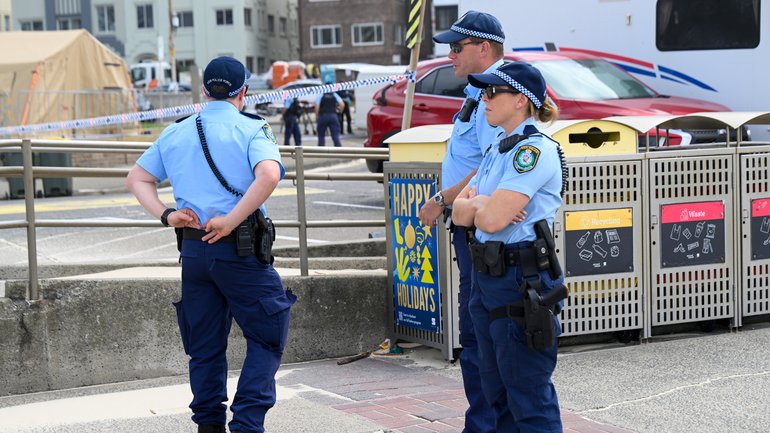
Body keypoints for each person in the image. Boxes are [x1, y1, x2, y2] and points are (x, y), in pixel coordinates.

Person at [126, 56, 296, 433]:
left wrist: (166, 214)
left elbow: (136, 178)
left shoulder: (177, 131)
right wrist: (233, 219)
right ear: (244, 93)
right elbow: (269, 174)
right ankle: (247, 425)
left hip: (193, 252)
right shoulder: (252, 128)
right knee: (267, 337)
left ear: (203, 90)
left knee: (204, 348)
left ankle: (209, 426)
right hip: (240, 251)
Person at [452, 62, 567, 432]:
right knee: (495, 392)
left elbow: (488, 220)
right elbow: (459, 214)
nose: (483, 99)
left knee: (528, 396)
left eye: (491, 92)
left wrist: (481, 205)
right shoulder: (497, 150)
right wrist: (481, 204)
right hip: (489, 279)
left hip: (521, 281)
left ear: (520, 100)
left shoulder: (532, 151)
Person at [417, 10, 506, 433]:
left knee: (479, 336)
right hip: (470, 228)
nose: (449, 55)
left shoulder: (499, 92)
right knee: (477, 335)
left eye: (457, 47)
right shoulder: (479, 91)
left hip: (480, 231)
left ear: (483, 48)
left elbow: (490, 164)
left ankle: (485, 425)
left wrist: (440, 199)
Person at [315, 81, 345, 147]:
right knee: (335, 135)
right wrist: (339, 112)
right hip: (333, 116)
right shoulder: (334, 94)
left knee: (321, 135)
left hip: (323, 116)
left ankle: (321, 150)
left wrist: (317, 116)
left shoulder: (321, 94)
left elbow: (317, 106)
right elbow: (342, 104)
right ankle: (339, 150)